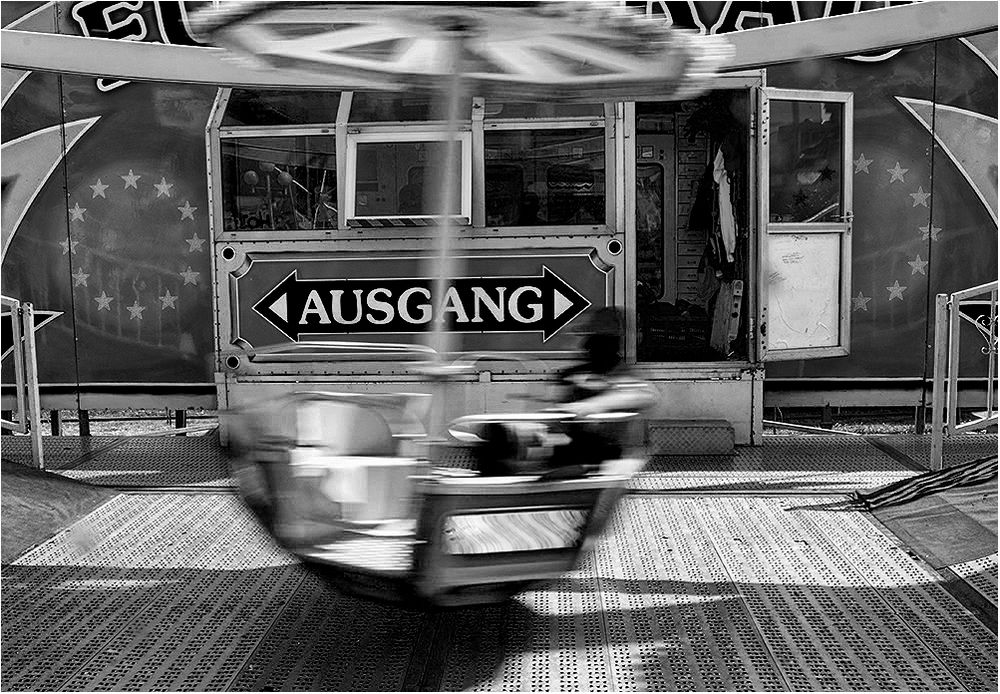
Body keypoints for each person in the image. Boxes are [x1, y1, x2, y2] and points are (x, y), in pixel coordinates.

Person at [472, 307, 656, 477]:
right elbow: (554, 412)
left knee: (522, 447)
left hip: (598, 452)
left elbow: (641, 395)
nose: (586, 346)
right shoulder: (574, 374)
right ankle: (491, 492)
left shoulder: (623, 375)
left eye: (595, 340)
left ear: (611, 343)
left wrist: (590, 406)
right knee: (496, 433)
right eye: (588, 339)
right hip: (560, 440)